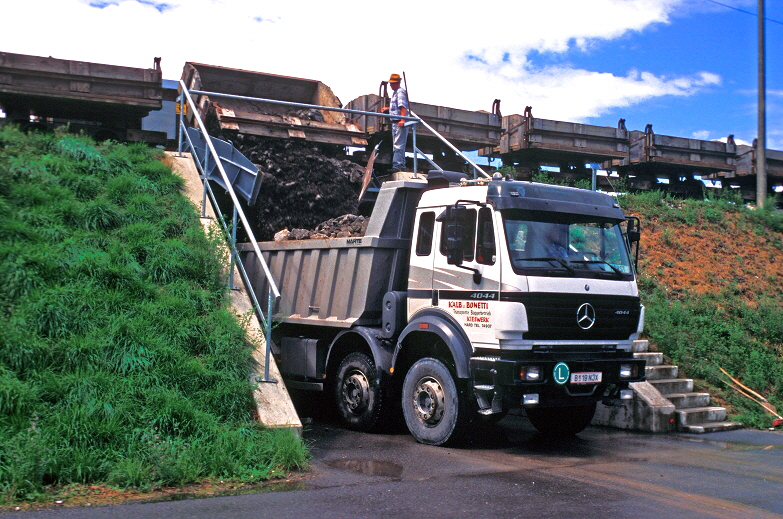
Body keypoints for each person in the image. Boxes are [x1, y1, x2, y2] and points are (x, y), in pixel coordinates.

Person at [385, 73, 409, 172]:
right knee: (397, 144)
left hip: (399, 122)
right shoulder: (395, 92)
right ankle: (401, 165)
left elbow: (402, 106)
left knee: (398, 145)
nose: (390, 85)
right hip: (395, 122)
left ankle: (397, 166)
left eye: (392, 83)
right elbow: (396, 107)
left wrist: (402, 119)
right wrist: (388, 109)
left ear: (397, 83)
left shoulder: (400, 92)